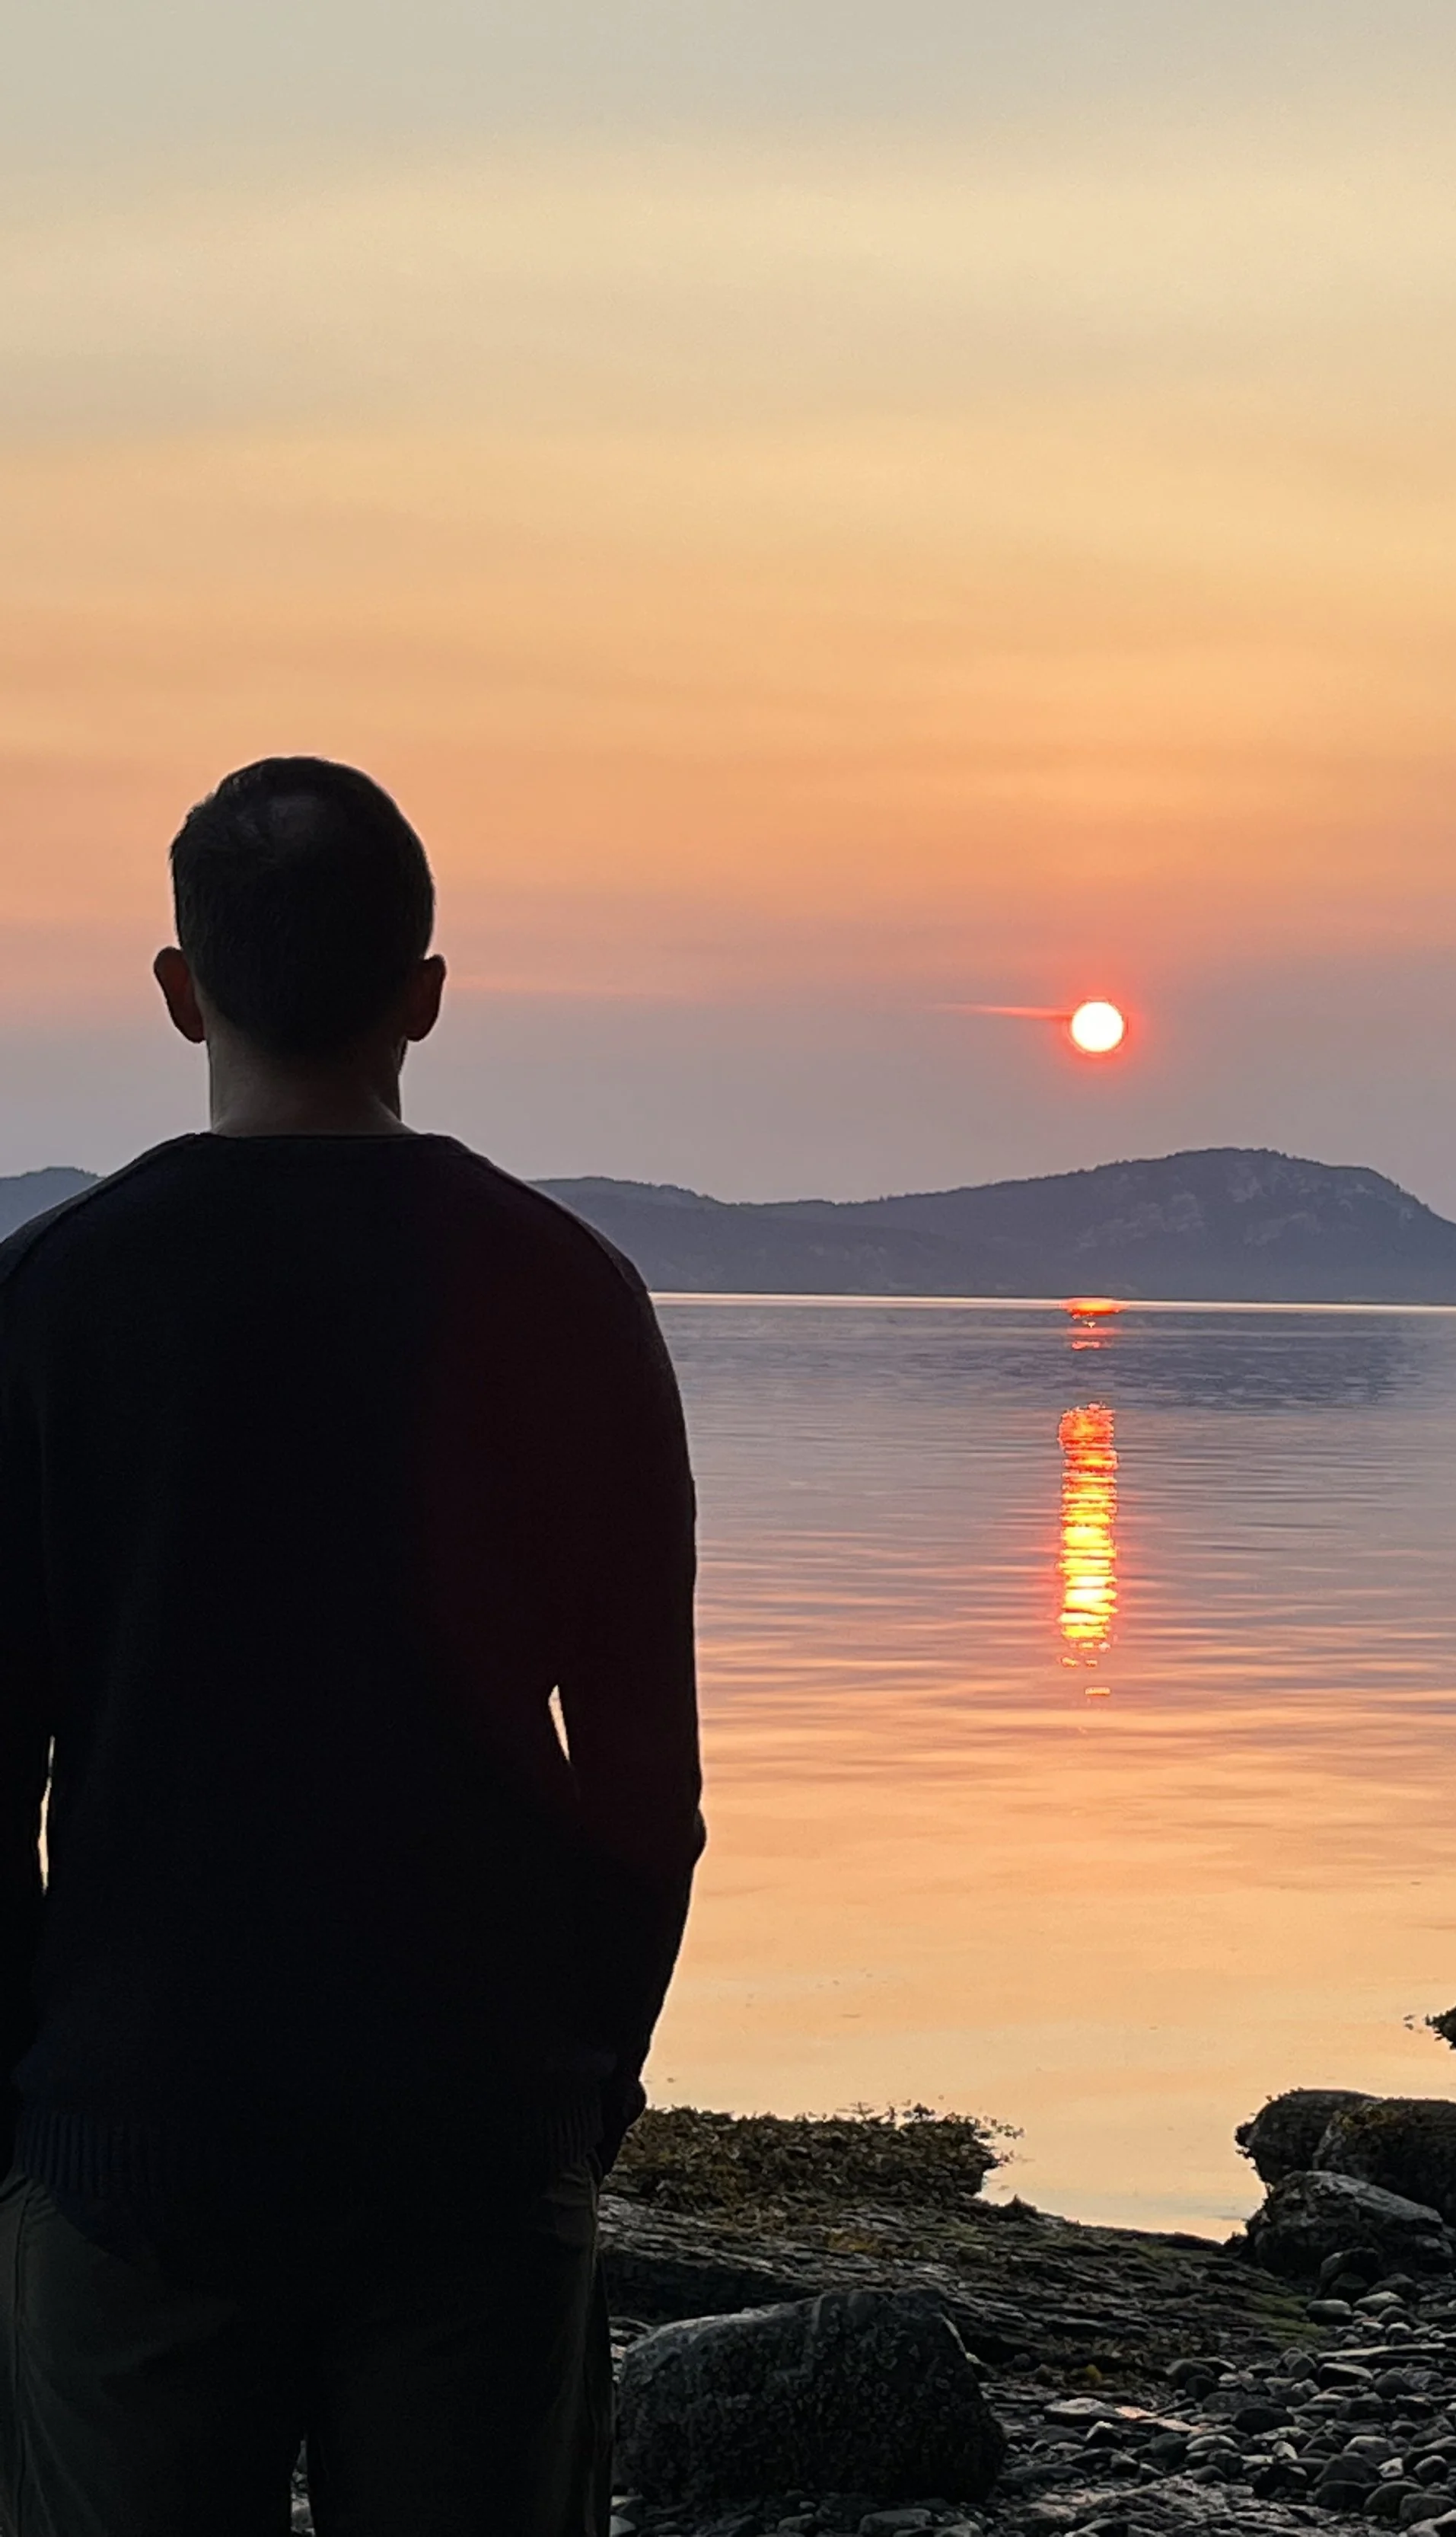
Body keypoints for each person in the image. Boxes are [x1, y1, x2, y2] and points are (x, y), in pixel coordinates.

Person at [0, 758, 703, 2537]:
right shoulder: (563, 1291)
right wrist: (582, 2086)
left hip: (136, 2127)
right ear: (427, 993)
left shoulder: (53, 1298)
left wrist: (36, 2101)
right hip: (468, 2131)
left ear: (180, 990)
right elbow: (641, 1776)